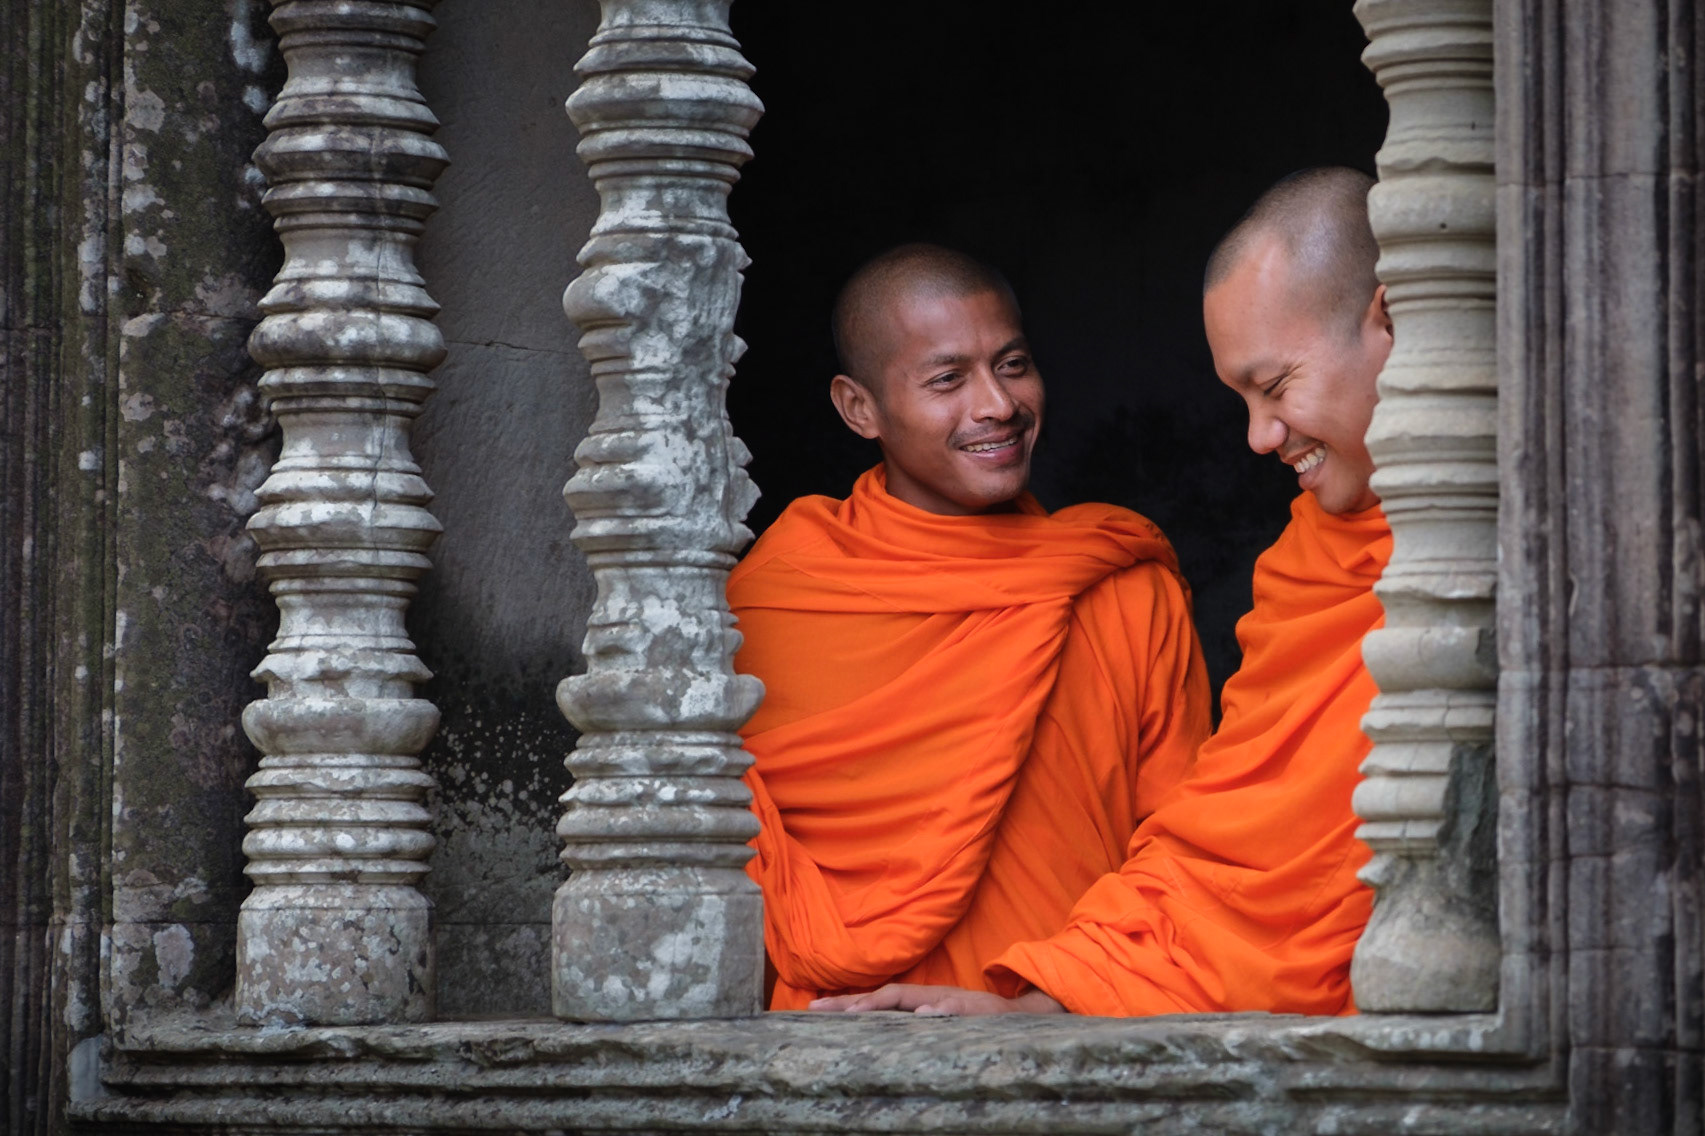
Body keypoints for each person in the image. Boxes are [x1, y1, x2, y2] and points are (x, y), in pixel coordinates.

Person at [811, 166, 1395, 1016]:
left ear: (1392, 317)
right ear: (857, 407)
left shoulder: (1543, 532)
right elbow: (1222, 854)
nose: (1258, 437)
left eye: (1272, 388)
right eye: (946, 379)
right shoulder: (1311, 566)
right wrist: (1051, 1000)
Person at [730, 244, 1212, 1011]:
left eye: (1013, 364)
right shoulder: (774, 605)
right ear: (859, 408)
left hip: (1061, 1033)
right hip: (828, 1049)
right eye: (948, 379)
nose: (997, 405)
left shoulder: (1120, 587)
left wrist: (1044, 1005)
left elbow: (1186, 849)